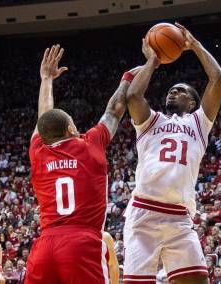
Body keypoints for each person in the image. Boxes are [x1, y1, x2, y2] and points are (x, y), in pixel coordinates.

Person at [24, 44, 138, 284]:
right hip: (80, 244)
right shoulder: (89, 145)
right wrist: (127, 79)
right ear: (70, 129)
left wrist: (46, 80)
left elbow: (43, 118)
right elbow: (115, 111)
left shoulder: (38, 151)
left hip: (44, 246)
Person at [123, 22, 221, 284]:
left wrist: (196, 46)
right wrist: (153, 62)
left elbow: (218, 79)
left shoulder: (199, 123)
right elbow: (133, 96)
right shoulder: (151, 120)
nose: (173, 92)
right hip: (144, 211)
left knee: (198, 281)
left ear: (192, 103)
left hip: (179, 215)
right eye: (170, 90)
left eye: (180, 91)